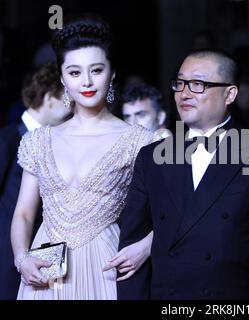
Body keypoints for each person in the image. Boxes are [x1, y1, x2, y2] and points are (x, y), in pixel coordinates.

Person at [116, 48, 249, 300]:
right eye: (180, 83)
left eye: (198, 84)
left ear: (230, 94)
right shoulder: (151, 158)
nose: (184, 93)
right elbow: (130, 257)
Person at [10, 14, 153, 300]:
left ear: (112, 73)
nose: (86, 81)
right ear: (62, 77)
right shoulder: (39, 140)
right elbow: (24, 213)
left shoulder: (139, 141)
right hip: (45, 269)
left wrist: (146, 247)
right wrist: (21, 258)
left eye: (96, 70)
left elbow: (171, 212)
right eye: (75, 73)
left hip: (106, 264)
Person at [0, 62, 69, 300]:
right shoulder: (7, 139)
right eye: (67, 97)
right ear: (50, 96)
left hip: (44, 255)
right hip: (6, 259)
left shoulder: (60, 142)